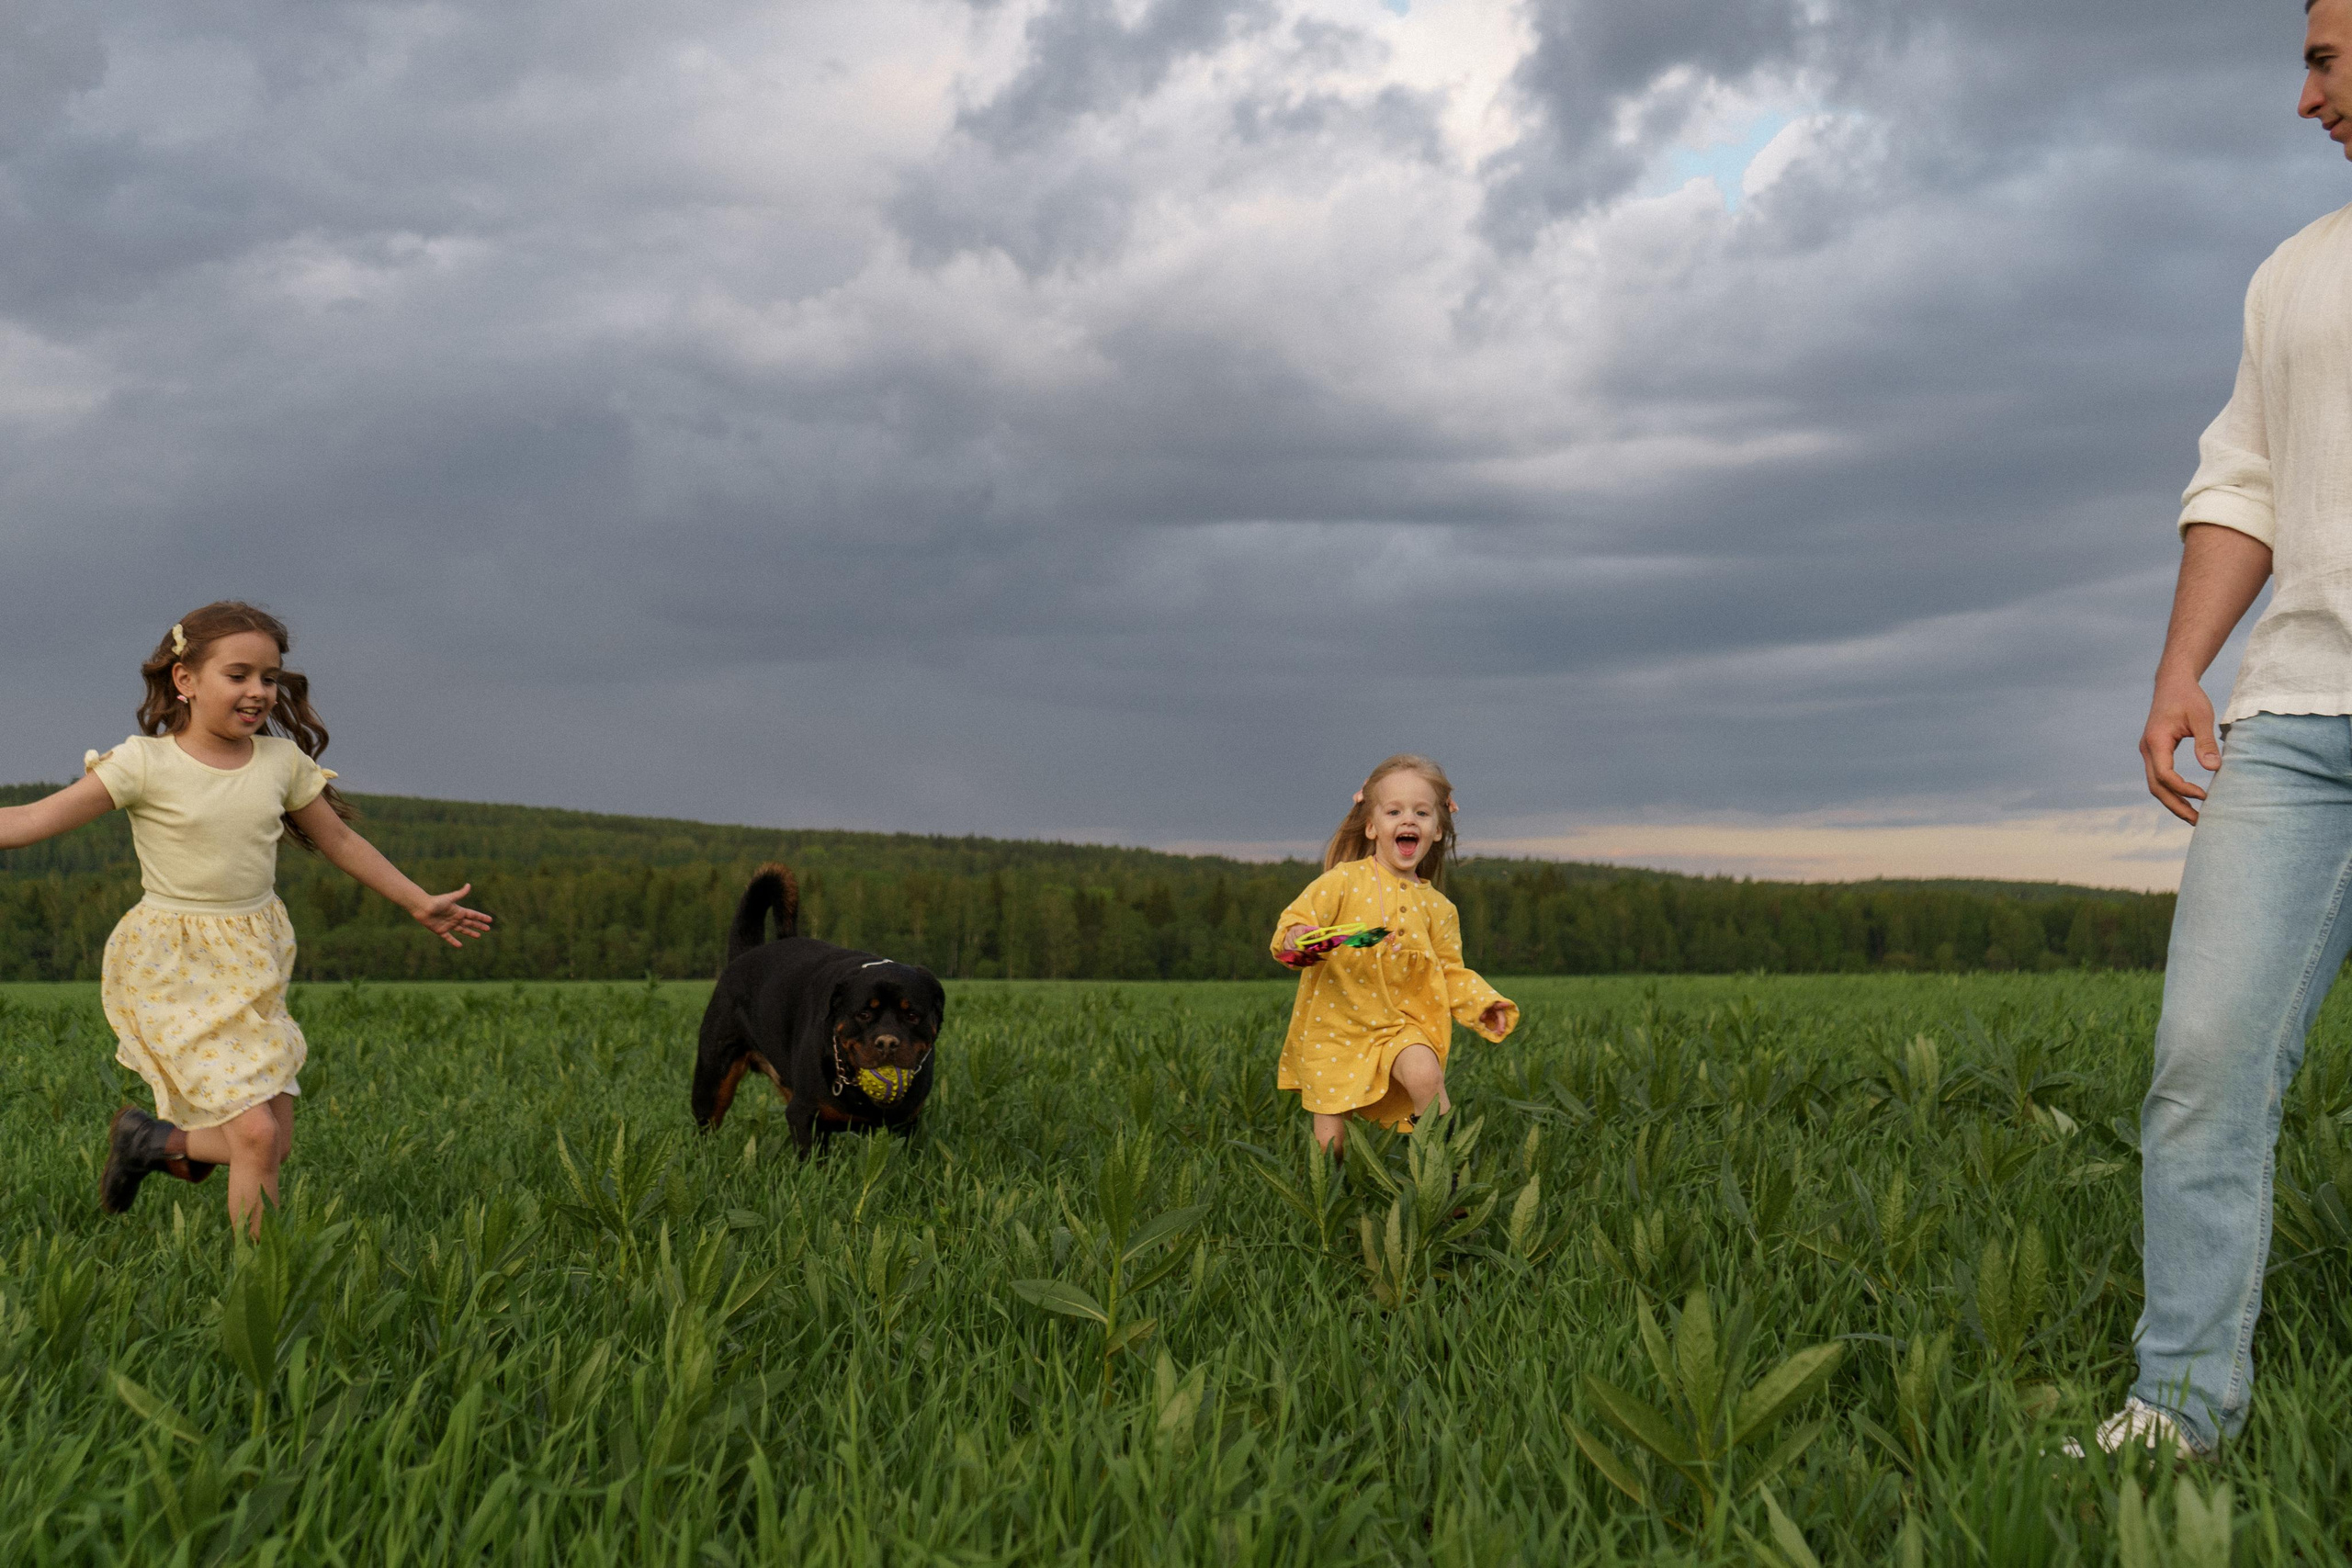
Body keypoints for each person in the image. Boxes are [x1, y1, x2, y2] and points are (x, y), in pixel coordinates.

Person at [2094, 0, 2352, 1459]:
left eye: (2323, 57)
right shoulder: (2293, 275)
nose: (2303, 96)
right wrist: (2184, 666)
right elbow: (2244, 478)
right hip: (2300, 723)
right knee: (2203, 1055)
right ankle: (2180, 1408)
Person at [0, 602, 492, 1236]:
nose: (258, 691)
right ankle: (261, 1288)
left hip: (253, 959)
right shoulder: (144, 763)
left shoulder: (280, 764)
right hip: (170, 962)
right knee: (257, 1134)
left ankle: (148, 1142)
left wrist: (417, 899)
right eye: (239, 674)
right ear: (186, 680)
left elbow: (341, 843)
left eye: (269, 677)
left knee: (270, 1145)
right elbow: (31, 819)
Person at [1270, 754, 1517, 1153]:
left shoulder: (1439, 909)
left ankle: (1441, 1172)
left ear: (1437, 830)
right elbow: (1295, 923)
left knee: (1425, 1074)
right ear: (1372, 826)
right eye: (1394, 811)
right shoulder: (1342, 882)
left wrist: (1482, 1004)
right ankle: (1332, 1200)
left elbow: (1451, 972)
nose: (1408, 820)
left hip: (1402, 1023)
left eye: (1421, 812)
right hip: (1337, 1027)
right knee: (1331, 1143)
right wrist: (1298, 935)